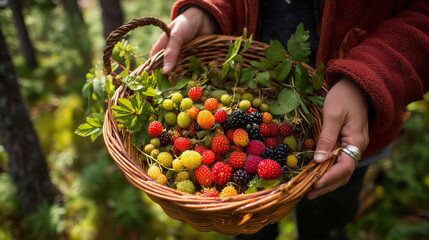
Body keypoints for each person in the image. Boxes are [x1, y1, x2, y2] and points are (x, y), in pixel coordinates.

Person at [150, 1, 429, 239]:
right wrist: (209, 9)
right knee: (246, 225)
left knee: (326, 222)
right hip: (257, 83)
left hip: (349, 131)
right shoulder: (235, 135)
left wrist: (370, 77)